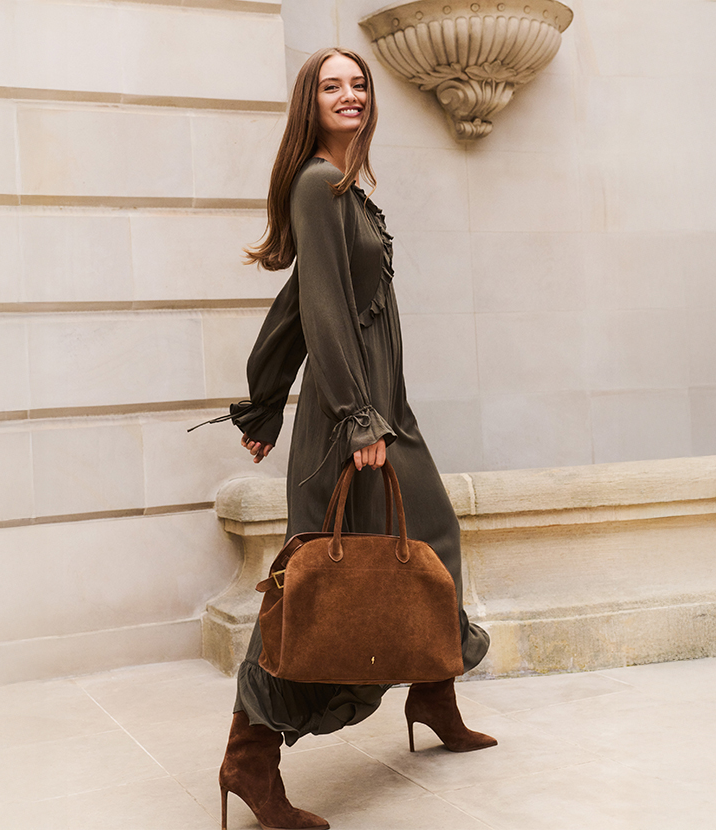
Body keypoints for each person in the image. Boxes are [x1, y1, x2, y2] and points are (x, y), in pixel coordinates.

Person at [217, 47, 496, 830]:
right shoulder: (316, 183)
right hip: (353, 417)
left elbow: (295, 302)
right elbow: (323, 307)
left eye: (359, 83)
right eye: (332, 85)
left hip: (382, 409)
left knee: (432, 539)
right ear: (310, 103)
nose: (351, 94)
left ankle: (433, 694)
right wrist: (354, 417)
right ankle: (249, 757)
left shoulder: (345, 188)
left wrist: (263, 403)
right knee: (313, 588)